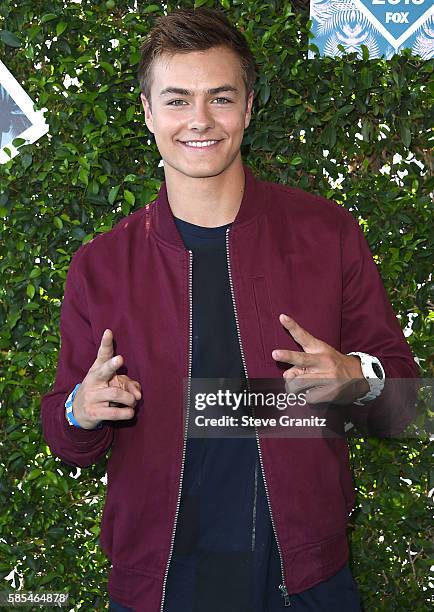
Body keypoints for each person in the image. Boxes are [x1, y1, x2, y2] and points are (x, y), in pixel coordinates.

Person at [41, 7, 418, 612]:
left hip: (305, 574)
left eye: (220, 97)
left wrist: (358, 378)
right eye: (176, 100)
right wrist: (81, 410)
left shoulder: (328, 233)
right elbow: (65, 435)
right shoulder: (100, 266)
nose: (198, 120)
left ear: (247, 108)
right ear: (148, 113)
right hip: (162, 582)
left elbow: (404, 403)